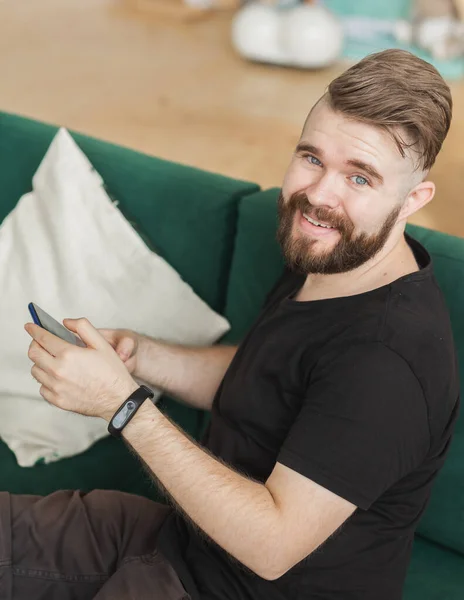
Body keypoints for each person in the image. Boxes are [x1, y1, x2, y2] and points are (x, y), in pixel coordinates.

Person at [3, 48, 459, 600]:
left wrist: (123, 405)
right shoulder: (327, 252)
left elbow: (271, 546)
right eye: (311, 158)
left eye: (359, 178)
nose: (318, 195)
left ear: (413, 200)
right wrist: (142, 357)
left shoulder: (389, 361)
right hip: (186, 539)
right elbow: (269, 380)